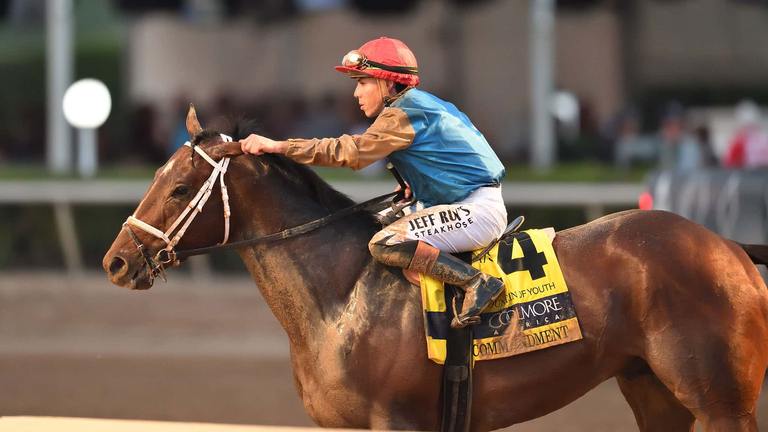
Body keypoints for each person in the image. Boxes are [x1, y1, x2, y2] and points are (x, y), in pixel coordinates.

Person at [239, 37, 507, 328]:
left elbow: (350, 153)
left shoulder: (402, 114)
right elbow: (451, 160)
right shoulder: (421, 105)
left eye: (363, 82)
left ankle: (477, 283)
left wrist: (279, 147)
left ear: (389, 84)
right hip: (470, 203)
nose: (356, 93)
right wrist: (417, 185)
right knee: (371, 224)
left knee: (386, 243)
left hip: (475, 211)